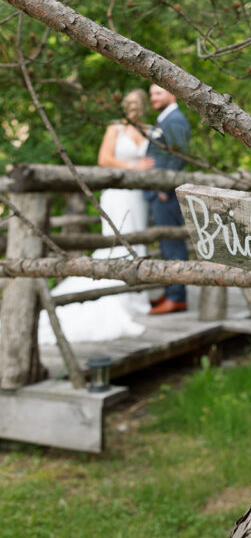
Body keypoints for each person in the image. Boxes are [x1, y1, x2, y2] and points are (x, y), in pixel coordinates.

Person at [38, 89, 156, 345]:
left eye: (137, 103)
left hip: (139, 195)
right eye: (129, 103)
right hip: (117, 192)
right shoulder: (115, 128)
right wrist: (134, 168)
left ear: (144, 105)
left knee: (138, 237)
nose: (133, 107)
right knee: (118, 239)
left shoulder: (149, 129)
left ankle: (136, 295)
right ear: (124, 105)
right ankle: (115, 289)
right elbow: (104, 159)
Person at [145, 84, 192, 314]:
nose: (154, 97)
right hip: (158, 191)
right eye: (152, 93)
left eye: (159, 93)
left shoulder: (174, 119)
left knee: (173, 244)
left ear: (171, 94)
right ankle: (170, 292)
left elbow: (178, 154)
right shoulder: (164, 118)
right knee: (166, 243)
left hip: (165, 192)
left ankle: (177, 297)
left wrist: (164, 188)